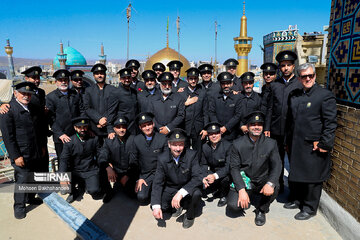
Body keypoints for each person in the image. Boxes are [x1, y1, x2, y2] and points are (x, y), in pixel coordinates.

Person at [285, 63, 337, 220]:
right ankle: (297, 199)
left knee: (312, 178)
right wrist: (288, 141)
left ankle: (309, 207)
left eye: (310, 75)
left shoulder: (324, 95)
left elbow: (330, 122)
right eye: (304, 76)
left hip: (313, 144)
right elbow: (290, 121)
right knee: (297, 174)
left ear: (315, 76)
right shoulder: (295, 95)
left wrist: (325, 144)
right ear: (299, 78)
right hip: (296, 143)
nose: (307, 78)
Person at [228, 111, 281, 226]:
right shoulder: (237, 144)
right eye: (253, 124)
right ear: (247, 126)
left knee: (275, 186)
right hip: (246, 180)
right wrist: (241, 190)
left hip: (263, 179)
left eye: (259, 124)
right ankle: (248, 194)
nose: (256, 127)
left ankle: (261, 210)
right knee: (233, 207)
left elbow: (277, 165)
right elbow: (234, 168)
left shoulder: (271, 143)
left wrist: (270, 183)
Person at [0, 82, 44, 219]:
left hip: (34, 151)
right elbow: (8, 137)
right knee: (22, 180)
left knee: (32, 177)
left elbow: (38, 130)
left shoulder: (33, 108)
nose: (26, 96)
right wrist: (15, 156)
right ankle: (19, 207)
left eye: (29, 94)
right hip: (21, 153)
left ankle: (30, 198)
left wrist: (41, 147)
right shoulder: (8, 111)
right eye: (23, 93)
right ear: (15, 93)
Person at [265, 50, 302, 191]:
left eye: (288, 65)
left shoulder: (299, 85)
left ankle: (294, 190)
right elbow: (269, 108)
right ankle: (278, 185)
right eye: (282, 65)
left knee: (293, 161)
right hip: (276, 130)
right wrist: (267, 128)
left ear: (293, 66)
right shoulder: (275, 85)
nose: (285, 68)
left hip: (292, 130)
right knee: (277, 160)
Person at [151, 129, 203, 229]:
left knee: (197, 193)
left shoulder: (192, 155)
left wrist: (181, 193)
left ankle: (189, 216)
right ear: (169, 145)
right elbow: (158, 182)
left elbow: (198, 177)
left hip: (187, 187)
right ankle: (180, 205)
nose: (178, 148)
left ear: (184, 144)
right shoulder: (162, 158)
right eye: (175, 145)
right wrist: (156, 206)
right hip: (171, 187)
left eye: (181, 144)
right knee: (162, 207)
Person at [0, 66, 49, 172]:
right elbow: (8, 136)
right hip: (25, 147)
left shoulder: (41, 93)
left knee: (41, 174)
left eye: (37, 77)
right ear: (26, 78)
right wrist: (2, 105)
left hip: (40, 139)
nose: (36, 80)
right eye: (33, 78)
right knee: (25, 180)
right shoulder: (16, 100)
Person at [59, 117, 103, 203]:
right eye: (79, 127)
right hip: (75, 170)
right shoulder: (69, 142)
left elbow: (100, 154)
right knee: (62, 183)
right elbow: (63, 160)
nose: (82, 129)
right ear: (75, 128)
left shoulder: (94, 139)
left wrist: (106, 165)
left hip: (89, 170)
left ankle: (87, 184)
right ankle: (74, 193)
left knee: (94, 191)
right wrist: (63, 176)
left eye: (85, 127)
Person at [128, 112, 167, 204]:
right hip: (145, 175)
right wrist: (138, 178)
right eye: (144, 126)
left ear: (153, 124)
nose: (147, 128)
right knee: (142, 197)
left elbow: (167, 160)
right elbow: (133, 161)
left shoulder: (163, 138)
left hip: (160, 173)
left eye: (149, 124)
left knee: (164, 199)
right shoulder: (136, 140)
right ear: (140, 128)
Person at [46, 69, 83, 160]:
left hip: (76, 135)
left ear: (68, 81)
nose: (63, 82)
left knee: (77, 161)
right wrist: (60, 134)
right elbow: (51, 118)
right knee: (64, 163)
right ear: (56, 82)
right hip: (61, 138)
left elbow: (81, 111)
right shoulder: (51, 97)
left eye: (65, 80)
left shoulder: (75, 94)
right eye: (60, 80)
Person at [98, 115, 135, 201]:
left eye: (123, 127)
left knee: (134, 195)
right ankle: (109, 192)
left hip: (128, 171)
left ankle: (122, 184)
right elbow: (102, 156)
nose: (121, 129)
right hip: (115, 171)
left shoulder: (133, 140)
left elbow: (135, 161)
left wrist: (128, 175)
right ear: (114, 129)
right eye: (118, 127)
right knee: (101, 169)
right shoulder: (109, 141)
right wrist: (108, 167)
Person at [201, 122, 232, 207]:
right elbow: (203, 164)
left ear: (220, 133)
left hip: (225, 173)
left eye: (216, 133)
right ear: (208, 135)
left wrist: (215, 176)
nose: (214, 136)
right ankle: (214, 188)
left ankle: (224, 195)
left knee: (225, 179)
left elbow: (229, 166)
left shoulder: (228, 146)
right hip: (213, 171)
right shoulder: (205, 147)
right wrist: (204, 176)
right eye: (211, 134)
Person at [83, 63, 116, 140]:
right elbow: (87, 108)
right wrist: (98, 119)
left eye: (101, 73)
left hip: (110, 130)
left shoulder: (113, 90)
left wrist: (105, 121)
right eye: (97, 74)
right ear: (94, 76)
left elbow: (114, 109)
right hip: (93, 130)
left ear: (105, 74)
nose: (99, 75)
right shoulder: (88, 90)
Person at [178, 67, 208, 152]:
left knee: (198, 151)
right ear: (187, 79)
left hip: (198, 128)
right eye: (191, 79)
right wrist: (185, 104)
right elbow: (178, 111)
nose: (193, 81)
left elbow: (205, 112)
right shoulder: (182, 93)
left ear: (198, 79)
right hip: (185, 127)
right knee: (184, 150)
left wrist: (205, 128)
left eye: (195, 78)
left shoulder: (202, 93)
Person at [208, 72, 242, 141]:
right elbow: (211, 112)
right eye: (223, 83)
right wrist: (218, 127)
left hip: (232, 134)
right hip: (218, 133)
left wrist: (226, 127)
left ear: (231, 83)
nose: (226, 85)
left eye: (228, 83)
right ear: (220, 84)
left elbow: (238, 115)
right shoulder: (215, 97)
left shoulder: (237, 97)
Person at [108, 68, 138, 136]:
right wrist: (110, 129)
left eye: (128, 77)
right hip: (123, 129)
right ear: (120, 79)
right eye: (124, 78)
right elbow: (111, 113)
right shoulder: (115, 93)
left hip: (135, 129)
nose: (127, 80)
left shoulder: (134, 92)